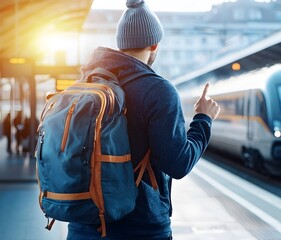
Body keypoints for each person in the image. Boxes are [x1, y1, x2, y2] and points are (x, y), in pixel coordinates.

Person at [67, 0, 220, 239]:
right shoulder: (158, 91)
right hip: (140, 228)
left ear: (121, 44)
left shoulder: (84, 85)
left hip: (82, 225)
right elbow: (178, 164)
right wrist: (203, 119)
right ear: (154, 44)